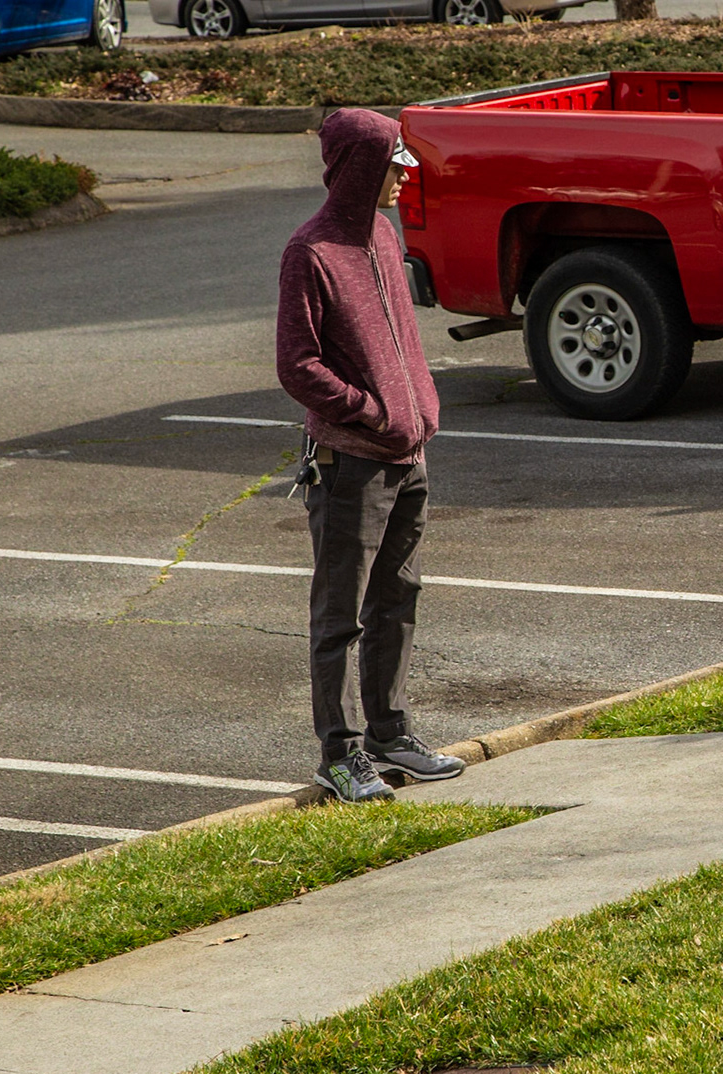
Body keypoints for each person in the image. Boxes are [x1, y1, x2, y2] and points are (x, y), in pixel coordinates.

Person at [276, 108, 464, 803]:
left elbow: (402, 339)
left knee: (398, 598)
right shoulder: (311, 252)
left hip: (410, 455)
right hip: (351, 463)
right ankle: (340, 755)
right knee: (341, 615)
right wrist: (374, 412)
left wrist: (420, 410)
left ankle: (390, 735)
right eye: (393, 165)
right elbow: (298, 366)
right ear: (361, 168)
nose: (403, 177)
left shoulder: (383, 235)